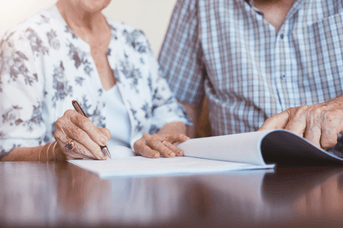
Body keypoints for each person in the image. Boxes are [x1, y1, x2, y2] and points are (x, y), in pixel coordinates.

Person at [0, 0, 191, 161]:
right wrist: (57, 152)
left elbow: (171, 115)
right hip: (69, 194)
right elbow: (9, 152)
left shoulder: (134, 40)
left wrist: (160, 141)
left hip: (141, 190)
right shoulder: (23, 42)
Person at [159, 0, 343, 155]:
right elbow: (176, 104)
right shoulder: (199, 4)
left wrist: (337, 108)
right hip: (238, 179)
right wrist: (170, 135)